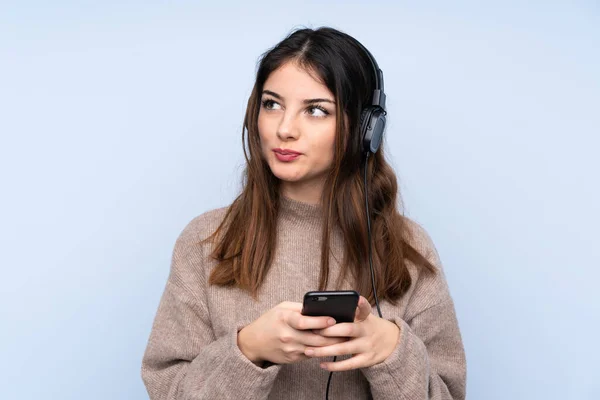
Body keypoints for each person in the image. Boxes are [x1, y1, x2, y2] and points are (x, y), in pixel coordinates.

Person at [141, 26, 466, 400]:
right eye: (272, 104)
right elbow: (167, 390)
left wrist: (393, 351)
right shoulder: (205, 240)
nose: (284, 129)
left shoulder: (409, 248)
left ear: (365, 129)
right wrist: (248, 350)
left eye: (315, 110)